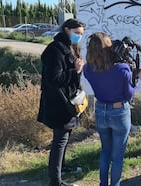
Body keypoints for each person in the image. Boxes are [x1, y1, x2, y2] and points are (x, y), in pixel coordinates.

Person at [83, 32, 141, 186]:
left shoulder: (87, 69)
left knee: (105, 151)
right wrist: (137, 78)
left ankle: (103, 184)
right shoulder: (122, 69)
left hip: (100, 111)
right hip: (119, 112)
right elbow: (129, 94)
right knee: (117, 156)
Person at [37, 18, 85, 186]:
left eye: (81, 34)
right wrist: (75, 71)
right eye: (77, 33)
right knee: (60, 139)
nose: (79, 37)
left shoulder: (69, 47)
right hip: (58, 103)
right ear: (66, 29)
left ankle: (62, 167)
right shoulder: (55, 50)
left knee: (65, 136)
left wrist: (76, 72)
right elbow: (54, 79)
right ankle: (55, 181)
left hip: (68, 102)